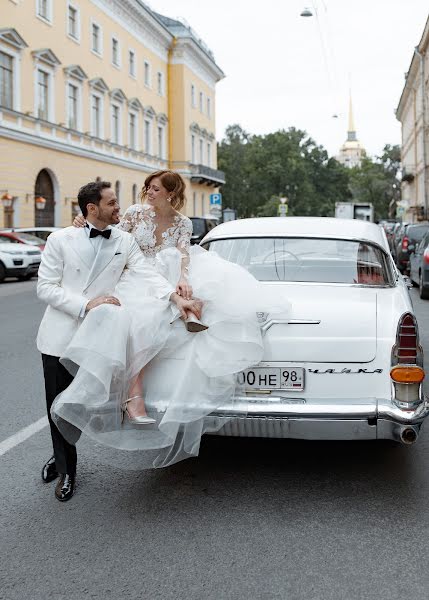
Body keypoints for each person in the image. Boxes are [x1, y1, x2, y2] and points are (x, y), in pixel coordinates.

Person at [51, 170, 291, 470]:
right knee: (142, 316)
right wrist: (80, 222)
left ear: (171, 194)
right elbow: (113, 234)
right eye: (148, 188)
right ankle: (134, 390)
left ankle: (185, 311)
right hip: (135, 275)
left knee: (195, 296)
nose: (149, 192)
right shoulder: (136, 214)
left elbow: (184, 254)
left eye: (155, 189)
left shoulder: (182, 222)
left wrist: (183, 278)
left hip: (167, 273)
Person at [37, 180, 200, 502]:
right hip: (60, 336)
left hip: (102, 336)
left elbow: (146, 273)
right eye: (112, 203)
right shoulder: (60, 239)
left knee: (87, 401)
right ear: (92, 209)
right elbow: (45, 288)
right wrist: (86, 304)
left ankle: (63, 455)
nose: (119, 208)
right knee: (57, 404)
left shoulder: (124, 240)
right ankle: (66, 469)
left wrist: (173, 298)